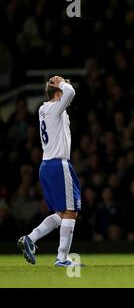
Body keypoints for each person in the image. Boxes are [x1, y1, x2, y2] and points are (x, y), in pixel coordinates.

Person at [18, 76, 82, 267]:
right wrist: (60, 83)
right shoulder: (55, 108)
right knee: (70, 212)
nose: (67, 88)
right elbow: (70, 92)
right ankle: (62, 258)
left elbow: (67, 95)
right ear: (58, 92)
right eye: (63, 87)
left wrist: (58, 85)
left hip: (46, 165)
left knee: (61, 213)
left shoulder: (43, 109)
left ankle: (30, 238)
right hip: (58, 164)